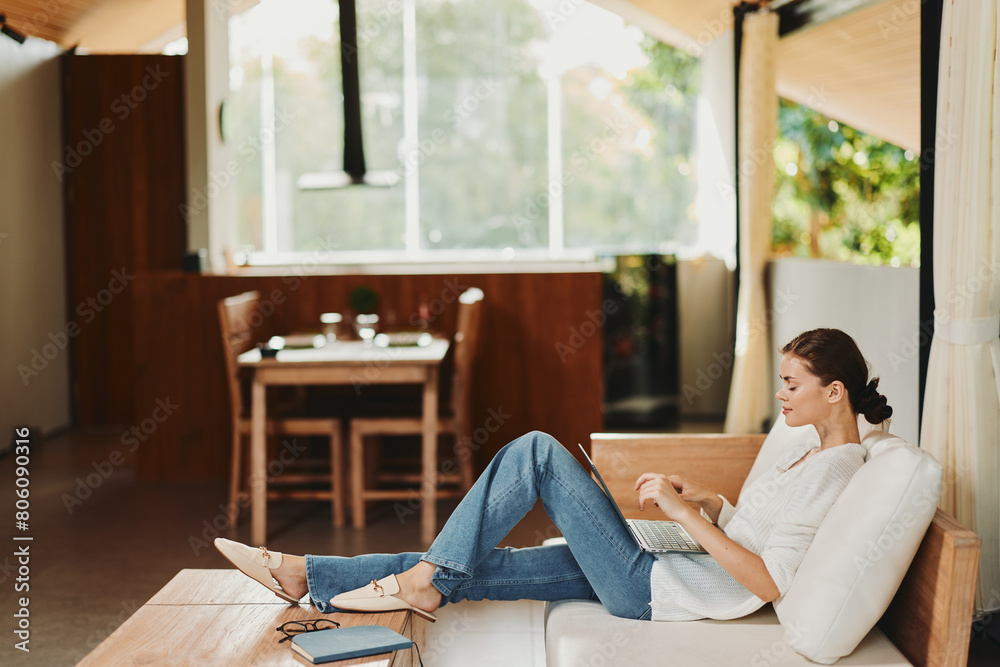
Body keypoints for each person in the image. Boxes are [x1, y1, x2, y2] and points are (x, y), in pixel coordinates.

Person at [216, 328, 893, 623]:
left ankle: (424, 583)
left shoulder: (840, 468)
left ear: (835, 392)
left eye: (792, 383)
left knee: (537, 451)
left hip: (652, 587)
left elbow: (772, 579)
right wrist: (710, 500)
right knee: (480, 562)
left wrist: (685, 517)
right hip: (661, 563)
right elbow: (765, 528)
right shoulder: (811, 449)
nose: (781, 394)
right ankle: (307, 574)